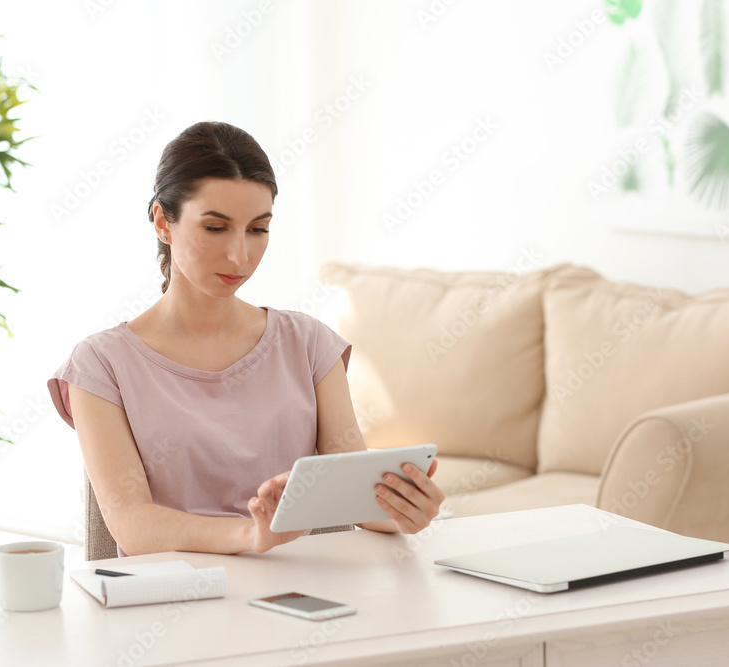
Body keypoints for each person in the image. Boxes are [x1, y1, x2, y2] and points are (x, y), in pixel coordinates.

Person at [47, 121, 444, 557]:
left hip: (297, 597)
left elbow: (355, 493)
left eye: (258, 229)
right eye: (215, 228)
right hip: (168, 601)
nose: (240, 255)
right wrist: (250, 536)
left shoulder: (308, 344)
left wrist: (403, 510)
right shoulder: (100, 365)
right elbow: (132, 525)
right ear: (163, 221)